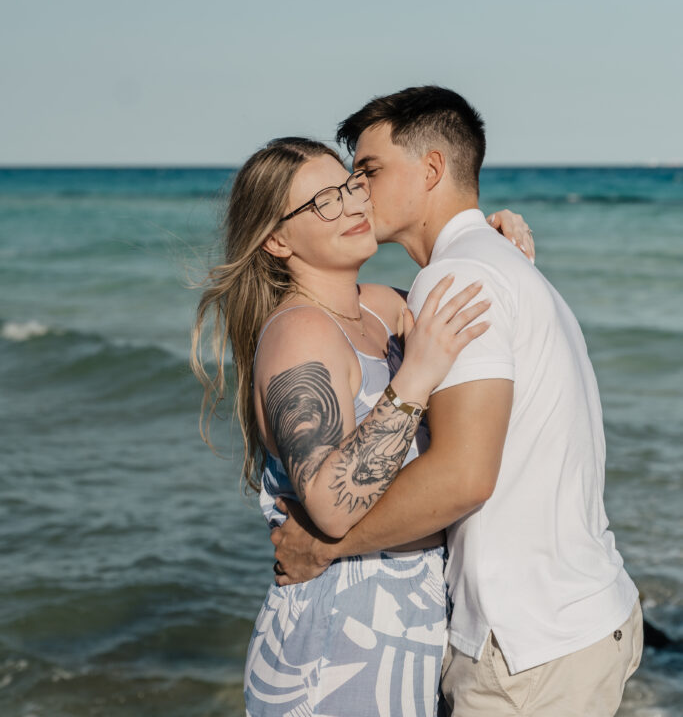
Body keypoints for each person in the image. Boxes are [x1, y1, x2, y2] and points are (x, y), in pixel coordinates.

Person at [271, 88, 643, 717]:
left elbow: (463, 476)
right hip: (575, 617)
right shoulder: (493, 266)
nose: (357, 193)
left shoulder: (459, 277)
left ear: (432, 169)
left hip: (527, 645)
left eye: (368, 171)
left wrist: (326, 546)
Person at [190, 136, 532, 717]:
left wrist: (487, 243)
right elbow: (329, 506)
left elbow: (462, 306)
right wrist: (415, 378)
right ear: (277, 240)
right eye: (323, 202)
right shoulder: (299, 332)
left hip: (405, 631)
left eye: (350, 185)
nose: (352, 204)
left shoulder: (378, 306)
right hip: (336, 647)